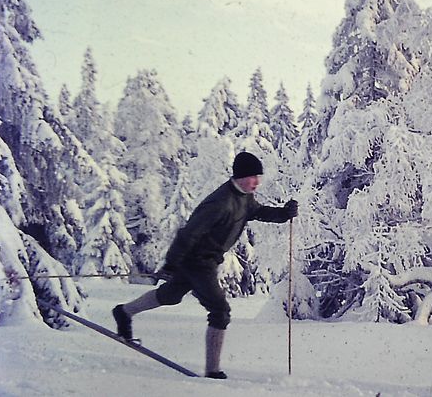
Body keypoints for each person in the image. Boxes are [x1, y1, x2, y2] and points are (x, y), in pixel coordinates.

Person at [112, 152, 298, 379]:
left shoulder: (244, 197)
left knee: (170, 296)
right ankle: (212, 371)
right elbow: (188, 233)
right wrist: (171, 264)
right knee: (220, 311)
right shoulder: (219, 203)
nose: (257, 182)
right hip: (198, 263)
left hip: (205, 261)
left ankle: (124, 312)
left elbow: (257, 211)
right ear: (240, 177)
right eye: (253, 177)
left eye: (258, 177)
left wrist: (283, 214)